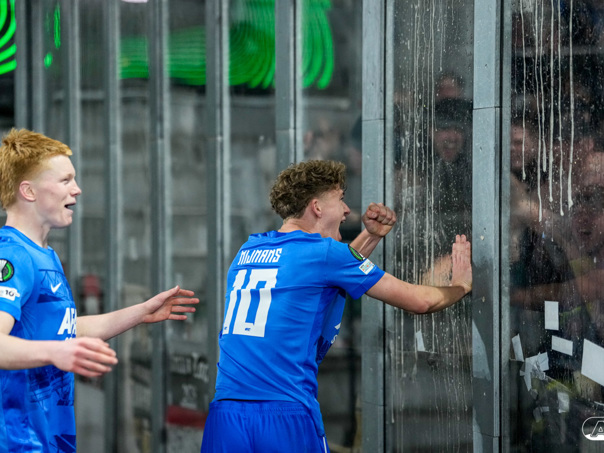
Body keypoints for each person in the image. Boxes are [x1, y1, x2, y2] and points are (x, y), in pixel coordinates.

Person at [199, 159, 472, 452]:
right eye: (340, 199)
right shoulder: (325, 254)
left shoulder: (248, 250)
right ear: (317, 207)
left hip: (226, 416)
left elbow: (323, 274)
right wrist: (460, 286)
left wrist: (371, 235)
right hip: (284, 414)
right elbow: (420, 301)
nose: (346, 210)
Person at [0, 128, 199, 451]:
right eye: (65, 180)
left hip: (50, 438)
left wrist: (141, 312)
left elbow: (63, 329)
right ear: (29, 191)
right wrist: (56, 352)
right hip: (19, 442)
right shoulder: (12, 255)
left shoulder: (45, 255)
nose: (77, 189)